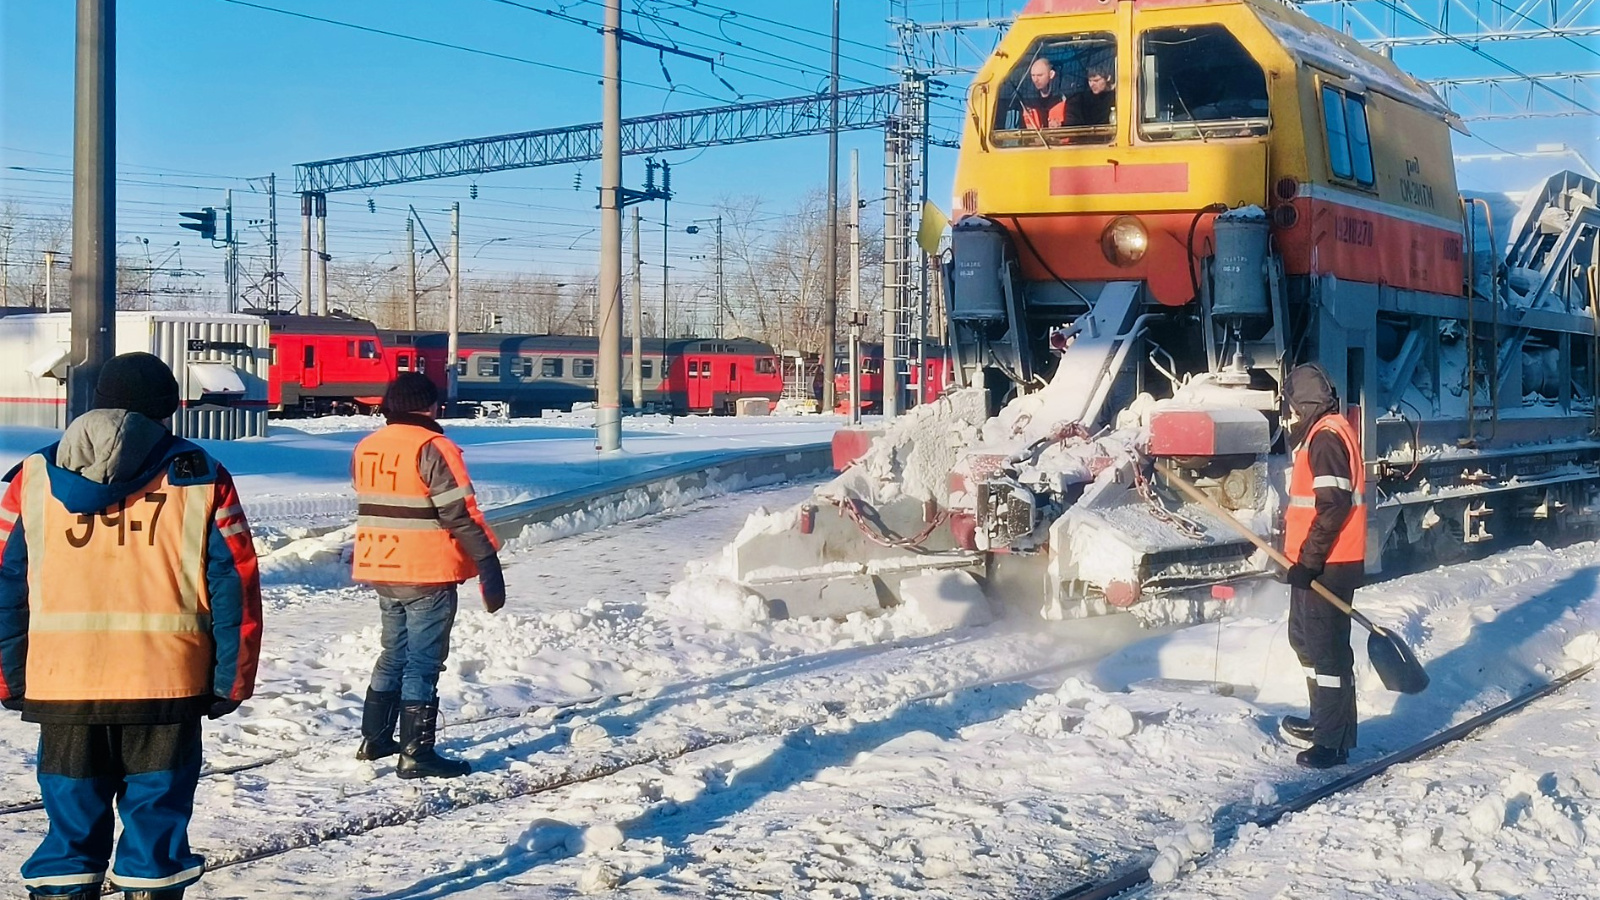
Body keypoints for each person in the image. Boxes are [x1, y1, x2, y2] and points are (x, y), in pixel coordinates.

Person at [0, 352, 263, 900]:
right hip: (167, 684)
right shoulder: (200, 475)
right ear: (167, 410)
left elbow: (6, 584)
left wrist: (10, 676)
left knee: (70, 830)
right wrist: (231, 679)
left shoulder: (32, 478)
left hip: (64, 683)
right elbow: (234, 582)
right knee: (155, 833)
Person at [351, 372, 505, 779]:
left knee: (393, 653)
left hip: (380, 564)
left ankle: (375, 739)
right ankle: (416, 753)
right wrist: (488, 561)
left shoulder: (367, 446)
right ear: (430, 406)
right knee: (422, 662)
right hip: (426, 569)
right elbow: (460, 513)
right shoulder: (433, 447)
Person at [1278, 364, 1365, 769]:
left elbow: (1333, 505)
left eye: (1293, 405)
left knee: (1328, 654)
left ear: (1306, 403)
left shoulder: (1326, 438)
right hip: (1315, 562)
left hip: (1329, 563)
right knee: (1306, 642)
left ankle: (1333, 743)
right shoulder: (1321, 432)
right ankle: (1323, 721)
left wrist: (1309, 561)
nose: (1290, 414)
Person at [1020, 57, 1073, 129]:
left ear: (1051, 74)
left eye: (1040, 75)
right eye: (1033, 75)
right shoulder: (1026, 101)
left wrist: (1061, 125)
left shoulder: (1065, 98)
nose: (1035, 80)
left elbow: (1073, 125)